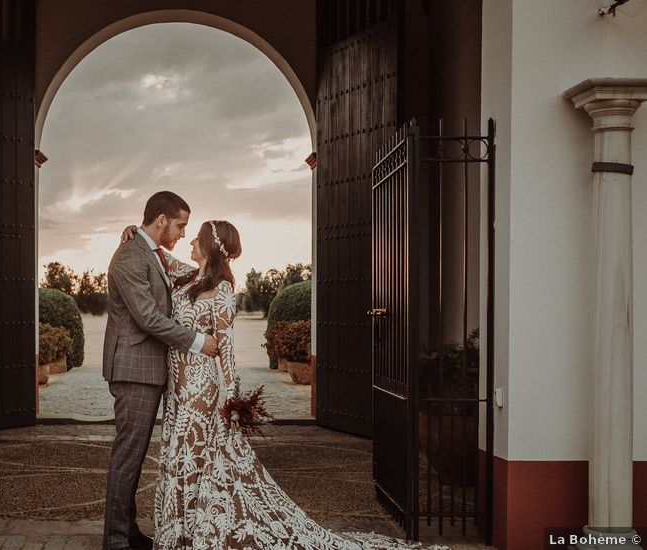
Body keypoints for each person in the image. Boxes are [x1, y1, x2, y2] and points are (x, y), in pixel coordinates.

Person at [121, 220, 438, 550]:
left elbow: (226, 349)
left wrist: (232, 399)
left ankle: (197, 533)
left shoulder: (223, 291)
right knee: (175, 457)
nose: (190, 241)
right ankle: (179, 530)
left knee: (196, 459)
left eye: (197, 238)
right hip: (176, 391)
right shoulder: (185, 277)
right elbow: (153, 253)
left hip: (202, 391)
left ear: (212, 246)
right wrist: (134, 233)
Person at [103, 191, 219, 550]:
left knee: (134, 457)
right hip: (134, 369)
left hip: (146, 369)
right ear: (162, 219)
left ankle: (127, 530)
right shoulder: (130, 257)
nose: (183, 234)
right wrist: (198, 341)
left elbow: (192, 271)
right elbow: (148, 318)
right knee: (128, 457)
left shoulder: (151, 254)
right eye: (181, 225)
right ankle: (116, 541)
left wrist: (215, 260)